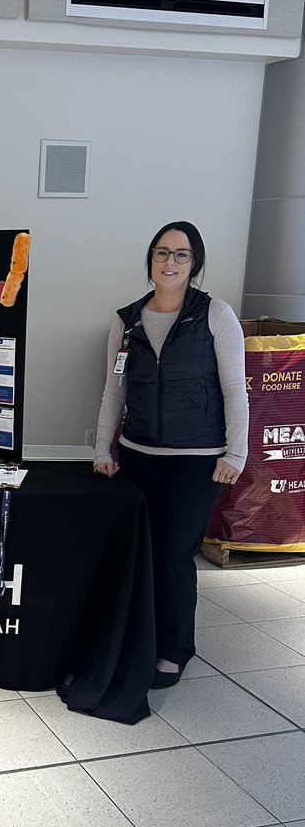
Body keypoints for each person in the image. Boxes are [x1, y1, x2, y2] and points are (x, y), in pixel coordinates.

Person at [93, 221, 248, 688]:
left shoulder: (216, 316)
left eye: (181, 254)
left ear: (194, 263)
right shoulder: (127, 319)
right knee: (142, 553)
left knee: (175, 555)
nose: (170, 262)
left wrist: (235, 455)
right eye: (162, 253)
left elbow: (234, 392)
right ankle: (141, 638)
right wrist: (103, 448)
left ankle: (175, 649)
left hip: (197, 459)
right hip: (138, 455)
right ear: (150, 260)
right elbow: (113, 392)